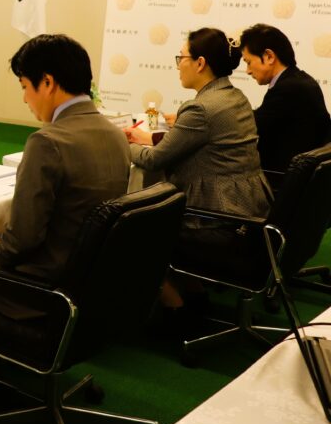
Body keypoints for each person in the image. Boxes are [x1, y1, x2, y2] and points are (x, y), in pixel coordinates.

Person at [0, 34, 130, 377]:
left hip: (44, 289)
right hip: (91, 286)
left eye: (24, 87)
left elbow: (24, 240)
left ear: (47, 82)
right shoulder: (115, 135)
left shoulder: (49, 142)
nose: (24, 99)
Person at [125, 27, 271, 316]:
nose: (178, 64)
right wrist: (152, 139)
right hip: (250, 214)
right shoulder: (235, 96)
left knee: (134, 231)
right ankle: (195, 295)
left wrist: (121, 143)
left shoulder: (201, 108)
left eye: (181, 57)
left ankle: (175, 309)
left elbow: (153, 160)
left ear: (200, 63)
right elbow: (197, 141)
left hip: (218, 221)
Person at [240, 23, 330, 175]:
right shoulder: (301, 80)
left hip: (280, 178)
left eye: (248, 62)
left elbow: (250, 127)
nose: (247, 71)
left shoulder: (289, 89)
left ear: (269, 56)